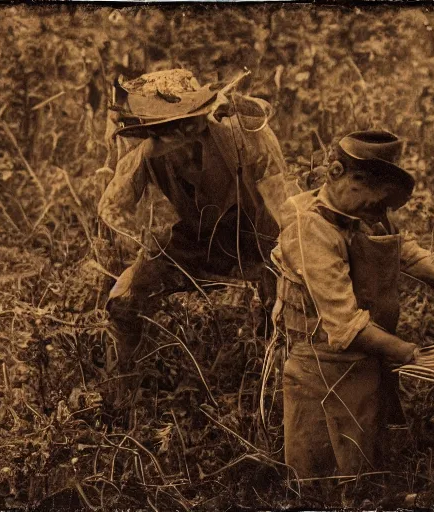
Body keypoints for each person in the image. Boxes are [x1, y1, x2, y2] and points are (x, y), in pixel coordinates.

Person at [271, 130, 434, 502]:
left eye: (383, 207)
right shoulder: (310, 227)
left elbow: (407, 254)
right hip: (321, 366)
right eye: (374, 204)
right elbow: (345, 324)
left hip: (368, 358)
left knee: (366, 470)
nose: (378, 215)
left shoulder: (365, 210)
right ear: (336, 173)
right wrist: (413, 354)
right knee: (318, 479)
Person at [98, 69, 301, 407]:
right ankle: (124, 396)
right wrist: (137, 249)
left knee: (282, 317)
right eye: (154, 130)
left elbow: (286, 208)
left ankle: (272, 398)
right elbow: (112, 209)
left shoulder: (246, 137)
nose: (159, 138)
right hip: (197, 240)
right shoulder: (149, 150)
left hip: (260, 236)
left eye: (168, 128)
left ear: (192, 120)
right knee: (124, 299)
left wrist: (292, 265)